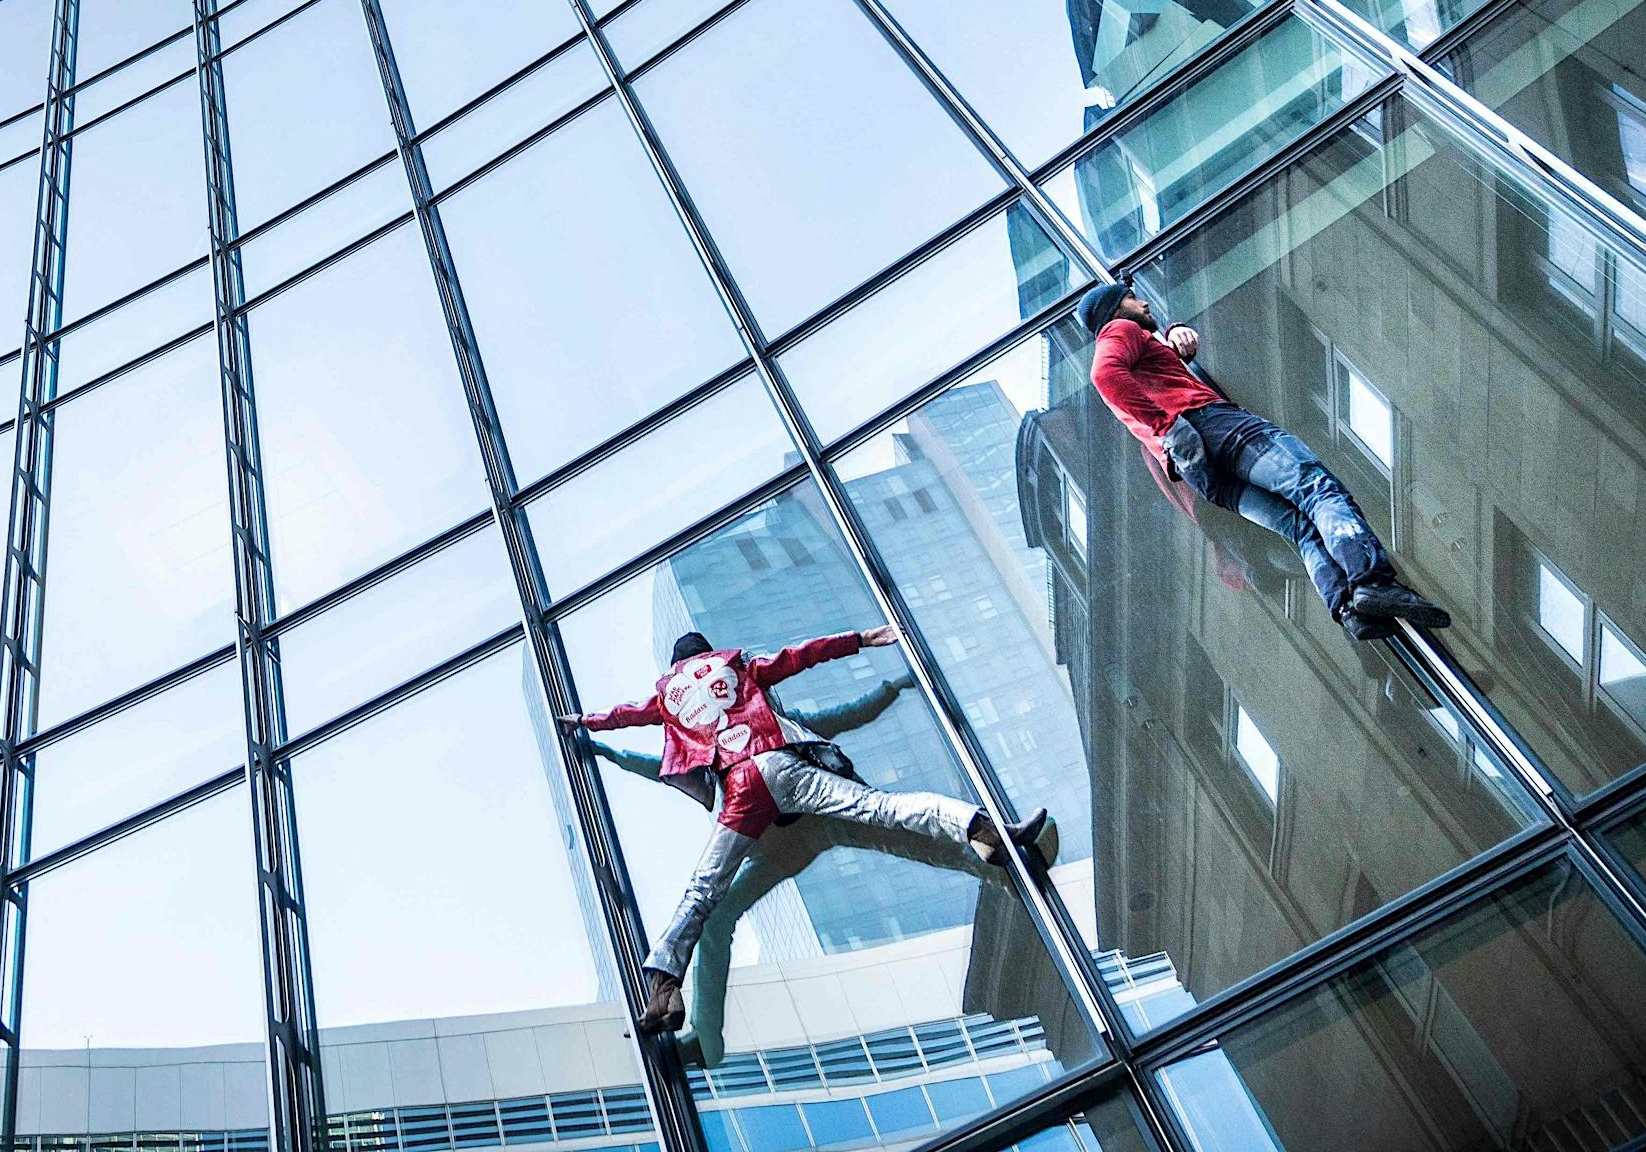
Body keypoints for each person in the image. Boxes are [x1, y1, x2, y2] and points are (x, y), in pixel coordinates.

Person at [558, 625, 1052, 1035]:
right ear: (706, 654)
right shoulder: (736, 665)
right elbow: (800, 656)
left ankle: (664, 989)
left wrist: (584, 722)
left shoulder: (669, 697)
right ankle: (984, 830)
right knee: (879, 808)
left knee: (704, 892)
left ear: (676, 666)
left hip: (740, 789)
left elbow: (623, 716)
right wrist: (862, 639)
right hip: (781, 766)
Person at [1077, 280, 1450, 643]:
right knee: (1318, 490)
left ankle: (1348, 608)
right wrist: (1169, 425)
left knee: (1300, 528)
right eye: (1132, 297)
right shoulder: (1120, 329)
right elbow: (1105, 374)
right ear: (1114, 309)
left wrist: (1174, 336)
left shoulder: (1136, 353)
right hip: (1216, 429)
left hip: (1203, 474)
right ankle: (1372, 581)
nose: (1143, 303)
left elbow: (1158, 369)